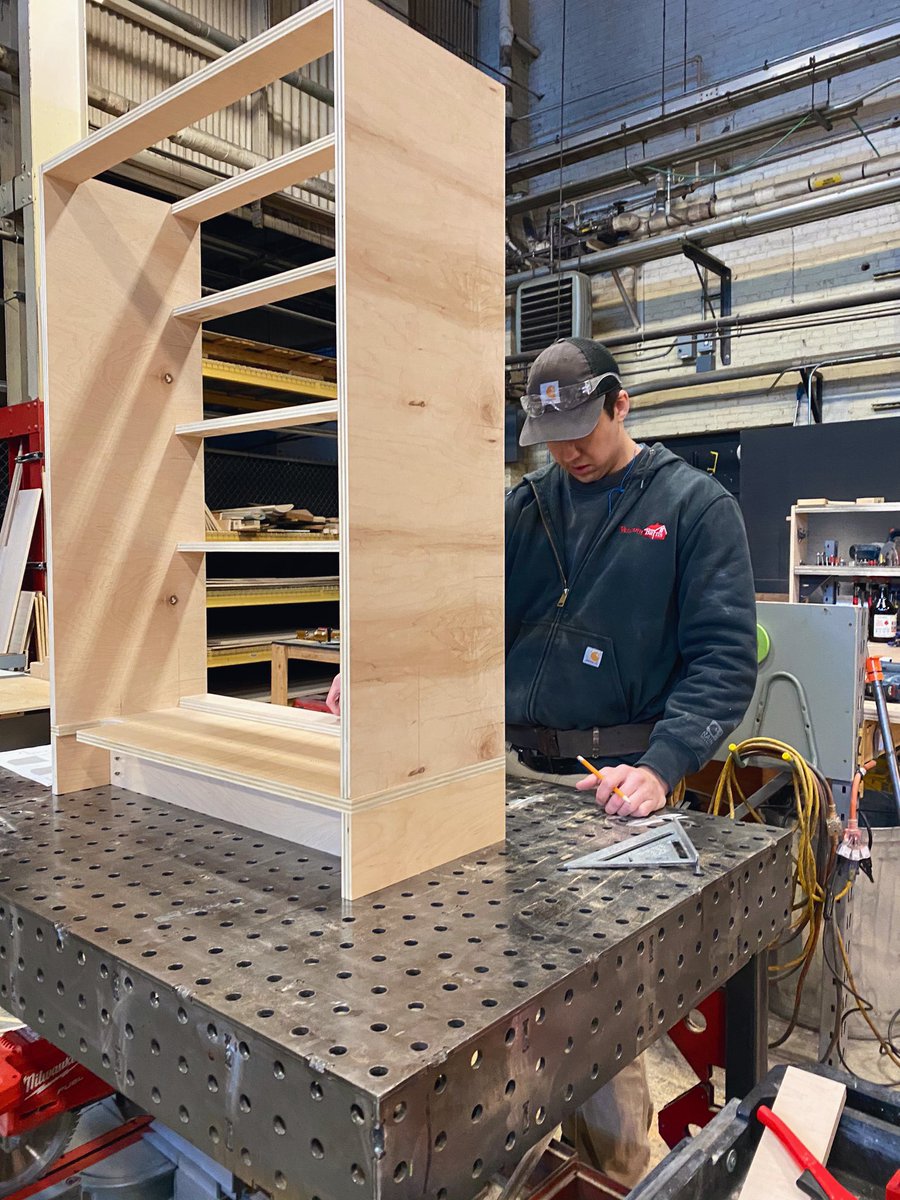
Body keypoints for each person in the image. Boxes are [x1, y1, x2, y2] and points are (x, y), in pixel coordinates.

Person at [505, 336, 758, 1186]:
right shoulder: (526, 506)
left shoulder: (693, 507)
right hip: (510, 779)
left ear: (622, 403)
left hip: (613, 792)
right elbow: (454, 613)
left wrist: (663, 764)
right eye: (553, 437)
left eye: (582, 428)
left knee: (594, 1019)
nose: (569, 451)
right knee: (500, 998)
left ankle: (616, 1175)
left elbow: (724, 657)